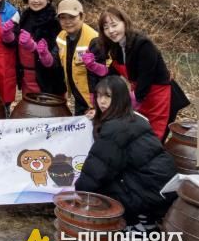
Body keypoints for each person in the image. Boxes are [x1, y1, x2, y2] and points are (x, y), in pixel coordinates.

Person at [75, 76, 177, 233]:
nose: (102, 101)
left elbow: (96, 170)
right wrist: (96, 118)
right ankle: (145, 218)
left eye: (108, 96)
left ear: (120, 98)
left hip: (150, 193)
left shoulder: (116, 128)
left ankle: (136, 222)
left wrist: (78, 194)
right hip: (164, 188)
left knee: (103, 184)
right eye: (99, 95)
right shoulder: (134, 117)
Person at [84, 7, 190, 140]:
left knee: (154, 139)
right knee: (139, 137)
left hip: (160, 97)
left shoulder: (143, 45)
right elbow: (111, 74)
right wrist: (93, 66)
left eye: (114, 25)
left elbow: (146, 79)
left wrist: (123, 107)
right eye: (106, 28)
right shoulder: (117, 47)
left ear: (124, 22)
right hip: (141, 96)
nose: (111, 31)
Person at [16, 0, 66, 97]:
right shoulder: (24, 18)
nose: (36, 0)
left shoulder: (54, 22)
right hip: (27, 76)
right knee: (28, 106)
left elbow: (57, 56)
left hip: (48, 78)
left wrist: (38, 49)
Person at [55, 0, 104, 115]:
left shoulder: (94, 40)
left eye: (72, 17)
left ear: (82, 17)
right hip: (79, 97)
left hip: (95, 100)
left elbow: (102, 76)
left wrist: (95, 104)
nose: (67, 21)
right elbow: (57, 62)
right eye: (63, 18)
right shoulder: (61, 36)